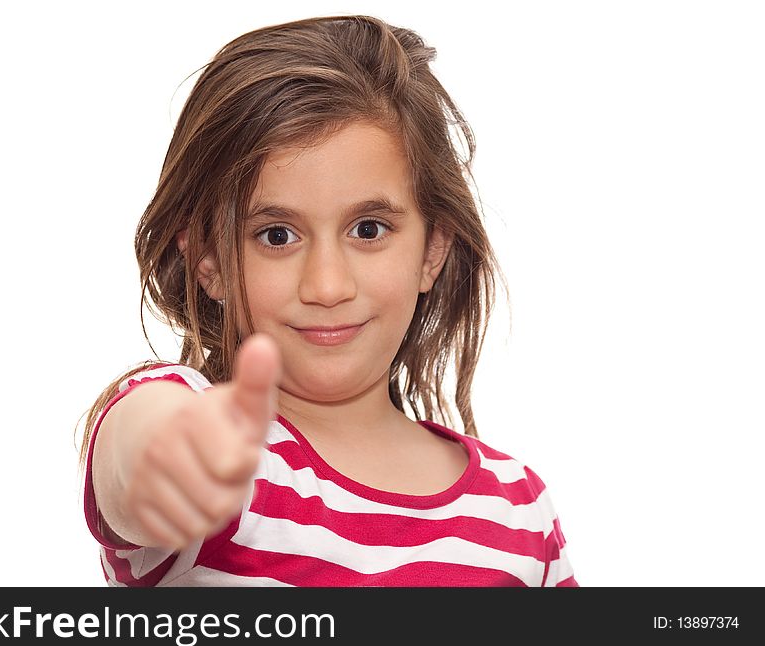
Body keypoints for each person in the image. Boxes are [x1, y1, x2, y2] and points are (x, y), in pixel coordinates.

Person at [77, 14, 578, 587]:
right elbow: (136, 452)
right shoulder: (210, 436)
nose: (327, 286)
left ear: (432, 250)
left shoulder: (519, 510)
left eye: (368, 230)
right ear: (209, 262)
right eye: (276, 236)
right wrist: (167, 459)